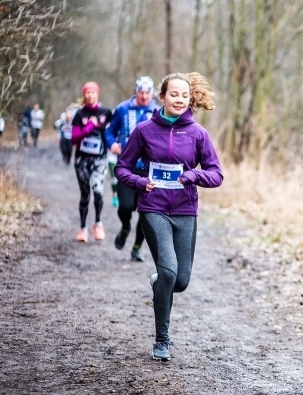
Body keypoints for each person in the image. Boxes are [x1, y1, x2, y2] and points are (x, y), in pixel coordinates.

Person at [115, 72, 223, 362]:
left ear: (190, 100)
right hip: (154, 209)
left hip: (186, 211)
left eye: (184, 95)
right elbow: (121, 168)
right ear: (162, 96)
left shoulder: (198, 134)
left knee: (181, 280)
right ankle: (162, 340)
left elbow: (217, 175)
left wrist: (194, 175)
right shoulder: (144, 130)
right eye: (173, 94)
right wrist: (139, 183)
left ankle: (159, 280)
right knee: (169, 271)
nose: (179, 99)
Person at [106, 76, 159, 262]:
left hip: (150, 170)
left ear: (152, 93)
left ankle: (137, 248)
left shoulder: (158, 111)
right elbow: (109, 131)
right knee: (126, 207)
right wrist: (111, 143)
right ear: (135, 91)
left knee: (146, 214)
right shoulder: (122, 109)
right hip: (127, 167)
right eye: (141, 92)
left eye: (148, 92)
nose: (144, 96)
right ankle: (125, 226)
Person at [72, 82, 112, 242]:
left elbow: (111, 133)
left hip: (99, 159)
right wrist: (89, 127)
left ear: (97, 94)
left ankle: (98, 222)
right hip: (82, 160)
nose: (90, 95)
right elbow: (74, 139)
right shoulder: (79, 114)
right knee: (85, 194)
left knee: (98, 190)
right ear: (84, 95)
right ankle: (82, 228)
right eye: (87, 93)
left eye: (93, 92)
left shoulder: (106, 112)